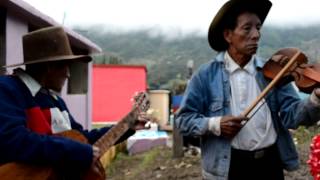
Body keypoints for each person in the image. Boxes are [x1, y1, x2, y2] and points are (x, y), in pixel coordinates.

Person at [175, 0, 320, 179]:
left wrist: (315, 99)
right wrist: (215, 124)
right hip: (229, 167)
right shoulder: (205, 75)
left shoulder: (274, 72)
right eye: (247, 28)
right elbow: (183, 120)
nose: (256, 34)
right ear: (228, 35)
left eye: (258, 28)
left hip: (269, 164)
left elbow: (293, 117)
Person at [0, 26, 148, 178]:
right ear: (50, 67)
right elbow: (12, 140)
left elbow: (82, 139)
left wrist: (125, 127)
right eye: (66, 67)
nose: (69, 75)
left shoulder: (56, 101)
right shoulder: (7, 89)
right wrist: (77, 151)